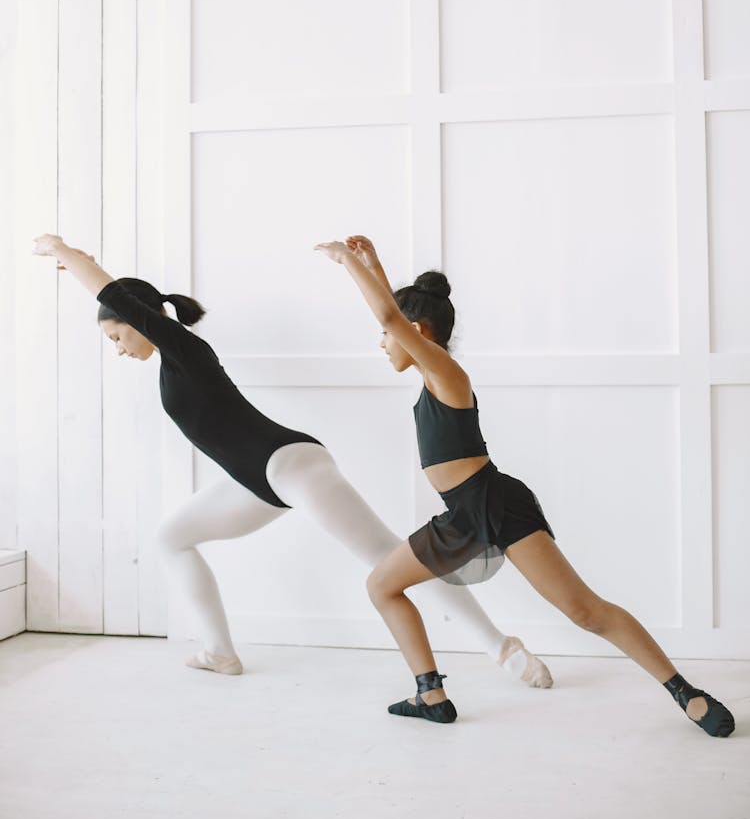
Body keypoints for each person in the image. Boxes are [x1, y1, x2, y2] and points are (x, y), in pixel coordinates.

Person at [31, 233, 552, 688]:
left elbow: (107, 290)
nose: (118, 349)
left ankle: (502, 648)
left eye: (117, 336)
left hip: (292, 466)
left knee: (389, 558)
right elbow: (111, 295)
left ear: (139, 322)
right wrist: (76, 256)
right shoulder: (171, 360)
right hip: (255, 481)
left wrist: (62, 250)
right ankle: (219, 652)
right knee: (172, 537)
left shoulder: (183, 349)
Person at [315, 234, 735, 736]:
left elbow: (391, 321)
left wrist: (347, 264)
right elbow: (393, 318)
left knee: (585, 610)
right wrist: (375, 265)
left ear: (417, 332)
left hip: (493, 501)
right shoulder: (430, 372)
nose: (381, 345)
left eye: (388, 338)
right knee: (382, 585)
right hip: (464, 512)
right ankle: (431, 694)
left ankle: (686, 692)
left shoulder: (446, 373)